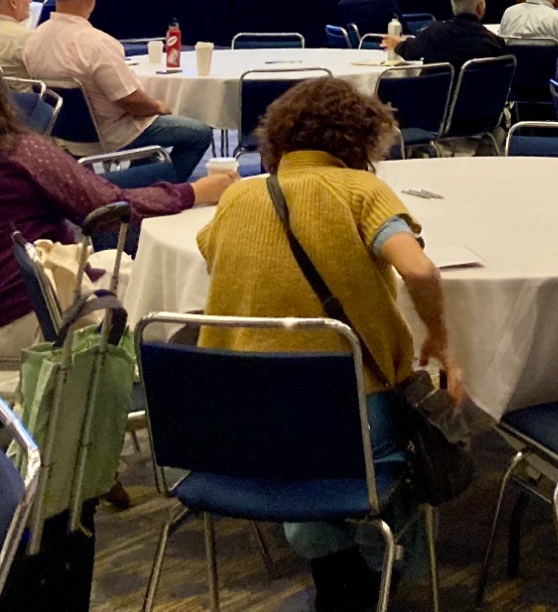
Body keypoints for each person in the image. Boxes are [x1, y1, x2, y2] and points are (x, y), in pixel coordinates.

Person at [196, 77, 462, 612]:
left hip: (244, 415)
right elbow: (418, 268)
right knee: (409, 452)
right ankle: (382, 566)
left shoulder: (238, 197)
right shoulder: (361, 191)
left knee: (310, 464)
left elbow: (213, 257)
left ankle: (333, 571)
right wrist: (440, 337)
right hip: (350, 410)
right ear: (361, 141)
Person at [0, 63, 232, 354]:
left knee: (130, 272)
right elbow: (107, 205)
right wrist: (194, 192)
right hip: (35, 312)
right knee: (174, 294)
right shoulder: (19, 153)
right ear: (1, 104)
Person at [21, 0, 214, 182]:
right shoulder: (97, 43)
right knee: (200, 133)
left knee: (151, 134)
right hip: (113, 135)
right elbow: (132, 102)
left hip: (64, 135)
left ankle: (139, 181)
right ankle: (160, 191)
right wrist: (158, 106)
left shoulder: (33, 41)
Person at [387, 0, 504, 71]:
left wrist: (398, 45)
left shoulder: (434, 33)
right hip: (479, 100)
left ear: (453, 5)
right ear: (480, 7)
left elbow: (410, 52)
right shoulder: (493, 43)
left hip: (435, 99)